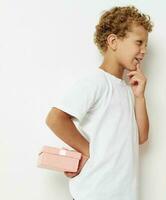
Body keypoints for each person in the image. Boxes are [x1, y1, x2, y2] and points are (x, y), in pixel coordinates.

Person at [45, 6, 153, 200]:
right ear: (113, 41)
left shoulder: (128, 90)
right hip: (94, 192)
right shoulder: (96, 82)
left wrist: (140, 96)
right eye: (139, 43)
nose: (144, 51)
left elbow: (141, 137)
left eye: (146, 45)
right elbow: (55, 119)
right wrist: (87, 151)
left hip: (123, 193)